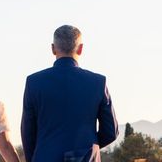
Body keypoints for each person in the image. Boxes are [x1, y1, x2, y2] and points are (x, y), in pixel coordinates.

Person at [21, 25, 119, 162]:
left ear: (53, 49)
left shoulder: (34, 82)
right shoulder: (98, 82)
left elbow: (28, 133)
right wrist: (88, 146)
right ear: (80, 48)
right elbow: (111, 132)